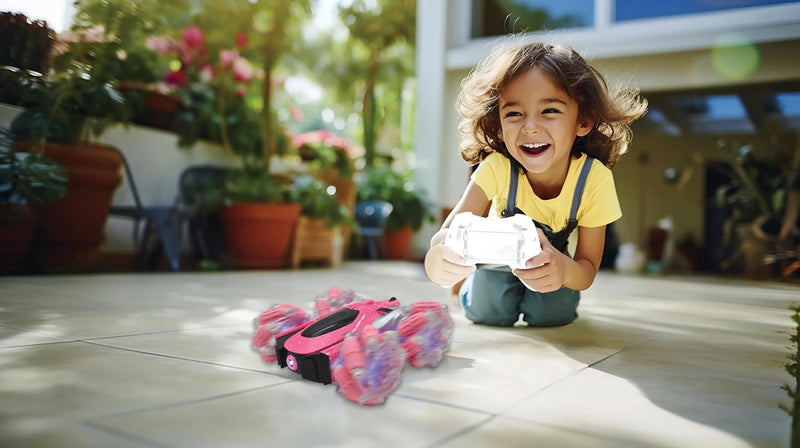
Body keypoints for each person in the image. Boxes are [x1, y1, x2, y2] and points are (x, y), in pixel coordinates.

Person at [424, 38, 647, 327]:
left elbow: (587, 269)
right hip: (497, 261)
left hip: (551, 261)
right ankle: (467, 289)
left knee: (552, 315)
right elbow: (446, 234)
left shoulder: (594, 179)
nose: (530, 127)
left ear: (584, 120)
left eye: (549, 110)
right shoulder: (496, 167)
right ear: (499, 126)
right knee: (490, 313)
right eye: (514, 114)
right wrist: (438, 257)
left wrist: (562, 272)